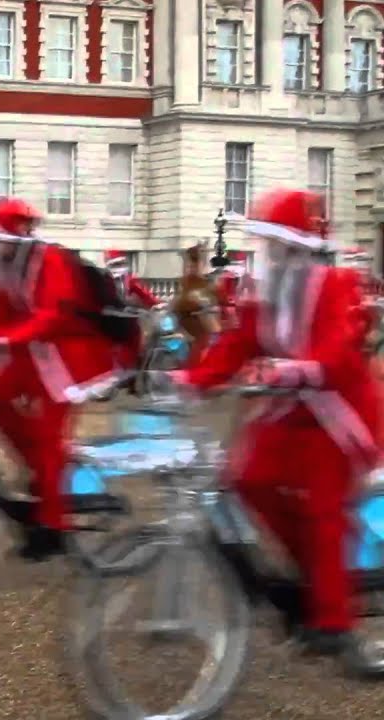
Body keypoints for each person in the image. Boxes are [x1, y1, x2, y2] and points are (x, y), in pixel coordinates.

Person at [166, 189, 380, 655]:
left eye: (274, 243)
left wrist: (290, 369)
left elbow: (339, 353)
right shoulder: (263, 292)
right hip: (290, 408)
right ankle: (314, 579)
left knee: (321, 507)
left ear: (294, 247)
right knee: (246, 478)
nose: (266, 252)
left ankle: (335, 624)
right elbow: (238, 343)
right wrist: (192, 377)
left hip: (339, 415)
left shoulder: (336, 283)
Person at [0, 197, 117, 560]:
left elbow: (52, 317)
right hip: (35, 352)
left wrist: (1, 340)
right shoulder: (7, 264)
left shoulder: (52, 260)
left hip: (70, 355)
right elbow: (1, 314)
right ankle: (41, 474)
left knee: (49, 437)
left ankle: (53, 528)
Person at [104, 250, 160, 372]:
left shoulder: (129, 280)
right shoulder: (106, 280)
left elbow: (144, 293)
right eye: (114, 265)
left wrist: (157, 303)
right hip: (110, 317)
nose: (118, 268)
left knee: (138, 336)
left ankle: (136, 366)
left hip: (126, 317)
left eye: (120, 264)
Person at [170, 243, 220, 364]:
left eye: (194, 264)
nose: (190, 267)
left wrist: (202, 302)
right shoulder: (184, 282)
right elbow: (177, 302)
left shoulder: (209, 285)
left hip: (202, 332)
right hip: (182, 329)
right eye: (188, 264)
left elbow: (214, 309)